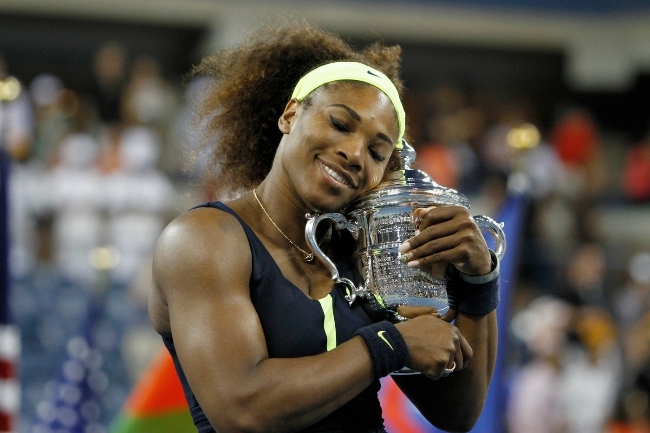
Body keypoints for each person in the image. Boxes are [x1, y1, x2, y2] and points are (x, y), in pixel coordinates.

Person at [149, 19, 499, 433]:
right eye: (340, 124)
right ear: (290, 114)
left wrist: (478, 282)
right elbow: (243, 411)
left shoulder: (363, 255)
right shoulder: (204, 238)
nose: (355, 154)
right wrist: (389, 345)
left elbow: (456, 413)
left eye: (376, 152)